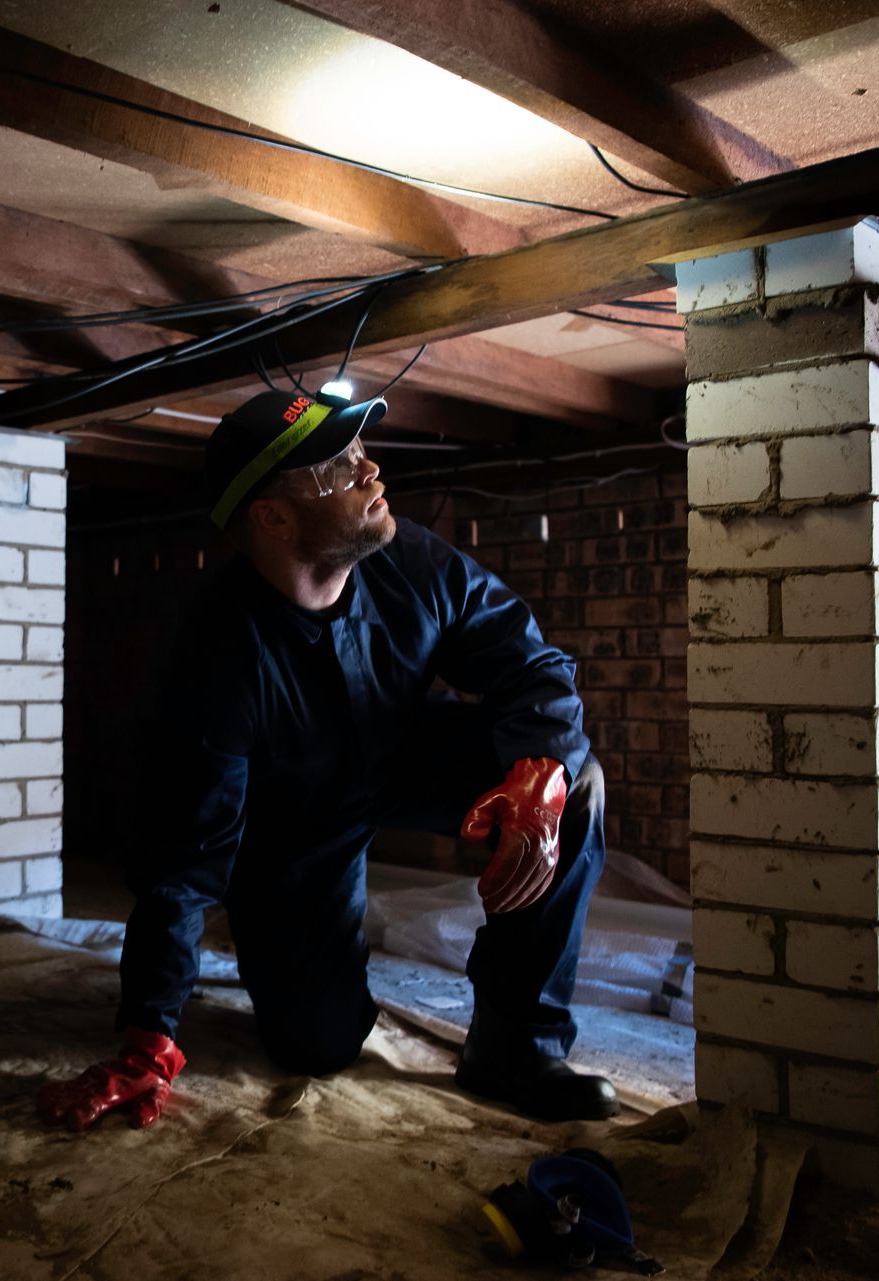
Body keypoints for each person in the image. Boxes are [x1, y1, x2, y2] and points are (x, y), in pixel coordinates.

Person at [37, 388, 615, 1134]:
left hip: (403, 754)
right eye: (338, 469)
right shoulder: (216, 658)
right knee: (317, 1044)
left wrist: (540, 773)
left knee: (573, 782)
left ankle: (517, 1047)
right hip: (293, 826)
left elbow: (527, 661)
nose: (371, 471)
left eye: (361, 454)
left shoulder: (410, 557)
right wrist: (149, 1034)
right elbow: (181, 861)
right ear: (272, 517)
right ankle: (289, 958)